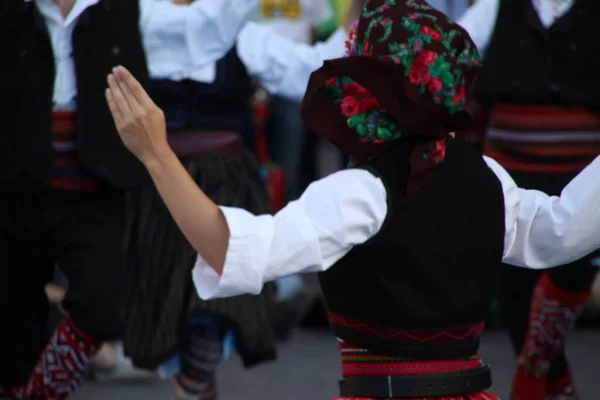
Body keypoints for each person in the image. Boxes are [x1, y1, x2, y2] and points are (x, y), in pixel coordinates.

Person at [106, 0, 600, 399]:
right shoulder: (487, 175)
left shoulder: (364, 190)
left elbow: (239, 250)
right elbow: (558, 230)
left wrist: (156, 154)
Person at [0, 0, 258, 397]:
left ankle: (41, 390)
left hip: (96, 191)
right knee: (12, 328)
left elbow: (205, 28)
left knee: (109, 302)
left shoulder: (129, 10)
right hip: (13, 190)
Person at [121, 9, 351, 400]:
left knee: (217, 310)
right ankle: (196, 386)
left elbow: (309, 69)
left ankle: (194, 386)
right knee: (170, 313)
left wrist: (365, 20)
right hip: (156, 188)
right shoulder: (135, 24)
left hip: (226, 184)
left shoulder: (234, 31)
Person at [458, 1, 600, 398]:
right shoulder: (498, 6)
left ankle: (535, 379)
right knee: (515, 286)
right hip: (509, 169)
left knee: (570, 276)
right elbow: (453, 50)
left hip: (585, 174)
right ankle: (550, 385)